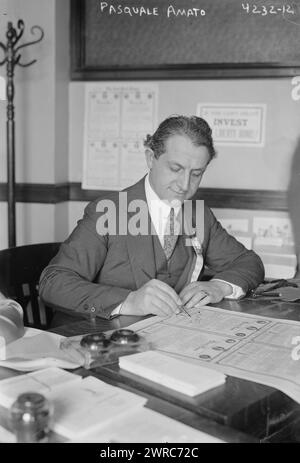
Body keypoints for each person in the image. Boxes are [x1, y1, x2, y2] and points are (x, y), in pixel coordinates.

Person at [39, 116, 264, 324]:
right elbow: (53, 282)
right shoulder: (108, 212)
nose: (185, 185)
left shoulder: (198, 215)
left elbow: (249, 263)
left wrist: (219, 287)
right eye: (176, 169)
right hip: (105, 341)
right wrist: (130, 300)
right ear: (150, 158)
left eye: (196, 174)